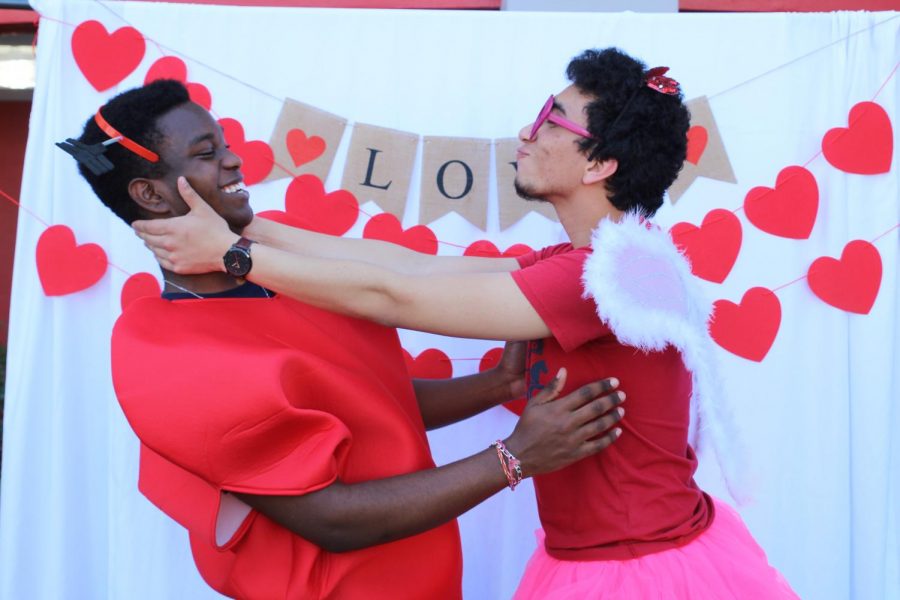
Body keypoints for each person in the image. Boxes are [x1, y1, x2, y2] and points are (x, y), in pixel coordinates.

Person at [136, 48, 799, 598]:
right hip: (592, 559)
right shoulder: (587, 260)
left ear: (600, 164)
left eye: (552, 122)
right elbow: (407, 267)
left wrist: (232, 256)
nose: (527, 134)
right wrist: (243, 226)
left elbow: (396, 296)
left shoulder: (607, 278)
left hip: (638, 573)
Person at [63, 79, 628, 600]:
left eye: (225, 143)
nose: (234, 159)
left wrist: (496, 384)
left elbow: (372, 400)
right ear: (151, 195)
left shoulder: (287, 279)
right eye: (207, 154)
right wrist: (513, 458)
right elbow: (329, 518)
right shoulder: (168, 354)